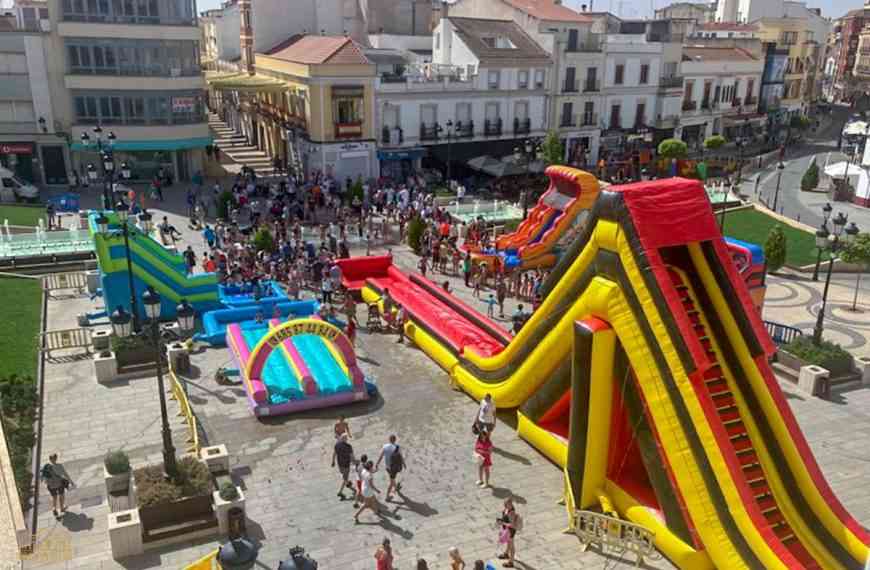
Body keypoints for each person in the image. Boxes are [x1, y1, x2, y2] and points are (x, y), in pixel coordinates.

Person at [42, 453, 74, 518]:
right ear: (56, 459)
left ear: (49, 459)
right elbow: (65, 474)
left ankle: (54, 508)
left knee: (54, 497)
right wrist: (71, 482)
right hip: (59, 484)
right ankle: (62, 508)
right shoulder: (59, 466)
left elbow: (43, 479)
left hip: (50, 486)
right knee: (61, 495)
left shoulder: (46, 467)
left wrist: (48, 484)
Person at [375, 434, 404, 501]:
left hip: (388, 467)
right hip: (395, 467)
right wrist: (404, 463)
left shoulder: (385, 446)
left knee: (392, 479)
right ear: (395, 440)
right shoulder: (397, 447)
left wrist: (377, 463)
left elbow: (381, 456)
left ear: (389, 439)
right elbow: (401, 456)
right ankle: (387, 497)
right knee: (391, 482)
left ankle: (396, 487)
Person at [331, 433, 355, 500]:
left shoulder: (337, 445)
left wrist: (333, 461)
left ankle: (348, 483)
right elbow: (352, 457)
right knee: (345, 478)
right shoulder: (349, 446)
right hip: (346, 465)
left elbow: (334, 454)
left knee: (344, 475)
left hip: (340, 464)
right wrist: (355, 463)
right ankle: (340, 492)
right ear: (346, 439)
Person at [498, 497, 520, 567]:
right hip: (507, 530)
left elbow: (512, 525)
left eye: (509, 503)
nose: (508, 505)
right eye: (507, 503)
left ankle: (511, 562)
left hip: (510, 531)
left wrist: (503, 523)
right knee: (508, 543)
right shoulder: (507, 509)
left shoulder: (512, 512)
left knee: (511, 545)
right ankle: (506, 554)